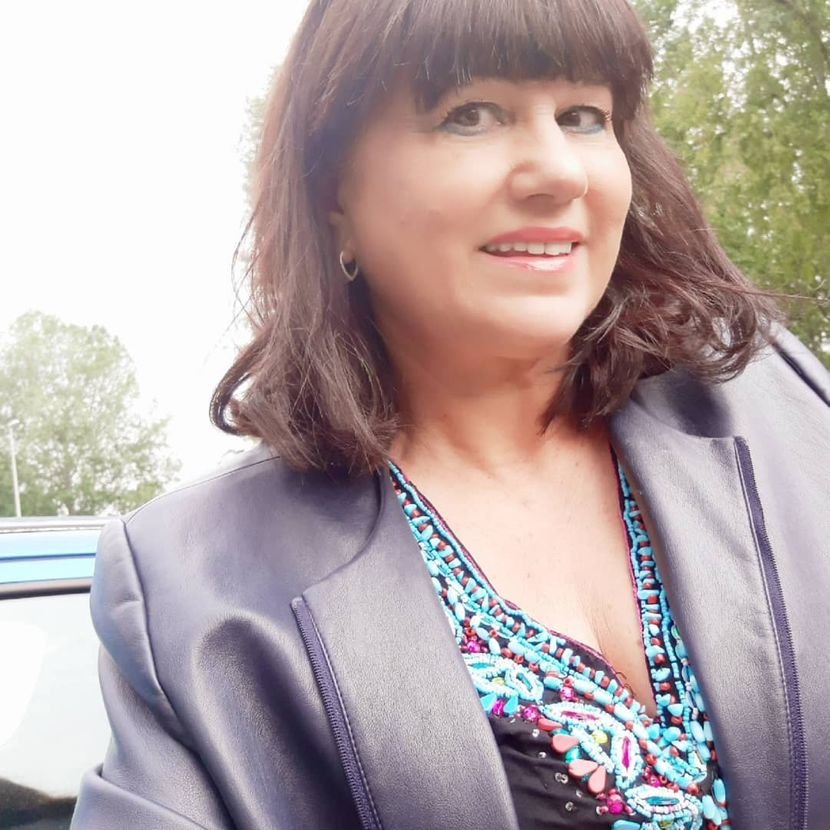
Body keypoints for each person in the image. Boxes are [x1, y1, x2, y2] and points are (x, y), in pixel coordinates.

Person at [71, 0, 830, 828]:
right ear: (332, 195)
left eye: (584, 115)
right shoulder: (193, 592)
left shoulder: (781, 408)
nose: (559, 173)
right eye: (470, 114)